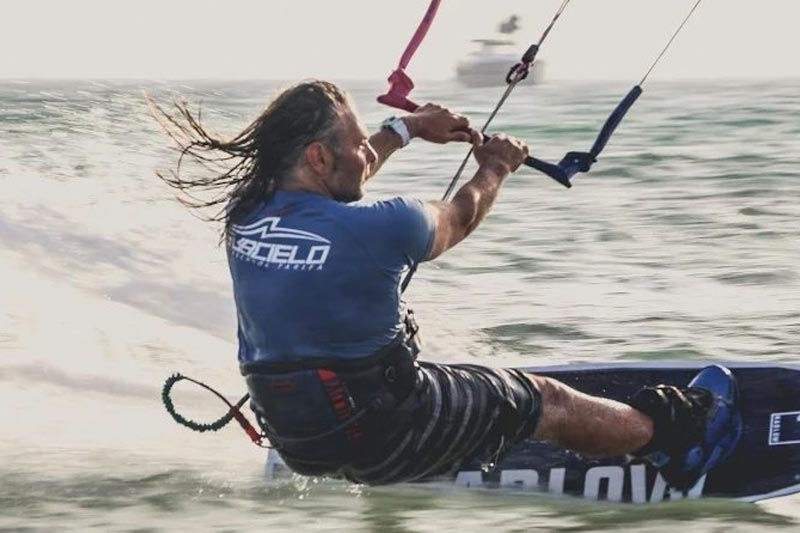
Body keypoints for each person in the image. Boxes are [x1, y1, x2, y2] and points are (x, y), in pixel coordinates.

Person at [153, 80, 741, 491]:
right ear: (317, 157)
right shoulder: (385, 225)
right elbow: (457, 216)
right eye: (357, 143)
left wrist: (405, 129)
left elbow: (346, 173)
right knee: (545, 398)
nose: (366, 152)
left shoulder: (245, 212)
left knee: (381, 360)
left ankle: (443, 437)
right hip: (382, 435)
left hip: (297, 440)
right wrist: (497, 167)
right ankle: (672, 440)